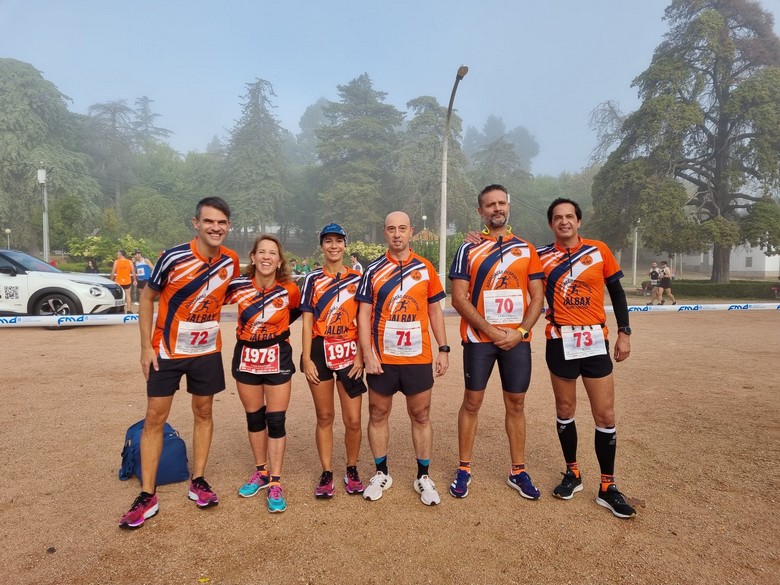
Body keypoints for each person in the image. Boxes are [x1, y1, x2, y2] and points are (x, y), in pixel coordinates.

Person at [119, 196, 240, 529]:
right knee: (155, 417)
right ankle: (147, 495)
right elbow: (147, 297)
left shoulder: (231, 260)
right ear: (196, 223)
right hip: (168, 350)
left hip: (206, 350)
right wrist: (145, 347)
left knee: (204, 412)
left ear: (228, 226)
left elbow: (229, 293)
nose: (215, 227)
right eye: (209, 221)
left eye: (222, 222)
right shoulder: (173, 257)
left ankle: (198, 480)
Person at [536, 198, 636, 519]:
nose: (564, 221)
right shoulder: (539, 256)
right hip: (559, 340)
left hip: (594, 339)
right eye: (558, 217)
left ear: (579, 221)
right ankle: (573, 473)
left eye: (570, 216)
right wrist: (480, 238)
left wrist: (624, 332)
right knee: (565, 409)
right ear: (551, 223)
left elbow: (617, 292)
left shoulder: (599, 250)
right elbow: (507, 262)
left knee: (605, 414)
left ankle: (608, 486)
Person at [448, 184, 545, 500]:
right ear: (481, 211)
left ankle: (518, 471)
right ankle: (464, 468)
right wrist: (490, 331)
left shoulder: (526, 249)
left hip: (517, 340)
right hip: (479, 339)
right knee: (472, 402)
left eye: (501, 203)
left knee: (516, 403)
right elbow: (459, 298)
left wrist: (521, 332)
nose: (497, 208)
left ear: (509, 206)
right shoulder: (468, 248)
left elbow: (537, 297)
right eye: (490, 205)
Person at [356, 211, 450, 506]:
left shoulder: (425, 268)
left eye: (402, 229)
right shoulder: (373, 270)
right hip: (382, 359)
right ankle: (381, 473)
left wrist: (443, 348)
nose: (397, 234)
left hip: (417, 358)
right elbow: (363, 315)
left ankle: (423, 476)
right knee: (377, 414)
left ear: (411, 231)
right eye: (391, 229)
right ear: (385, 232)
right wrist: (367, 354)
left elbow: (435, 311)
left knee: (421, 415)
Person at [226, 234, 301, 514]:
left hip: (277, 355)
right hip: (246, 354)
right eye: (262, 252)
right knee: (255, 418)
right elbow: (211, 300)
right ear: (253, 257)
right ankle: (261, 472)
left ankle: (276, 481)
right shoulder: (238, 286)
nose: (267, 257)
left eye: (272, 253)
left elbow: (295, 312)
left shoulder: (289, 289)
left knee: (276, 420)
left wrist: (273, 331)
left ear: (279, 261)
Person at [300, 223, 367, 499]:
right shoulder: (311, 280)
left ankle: (351, 468)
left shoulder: (358, 279)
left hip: (350, 351)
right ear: (322, 246)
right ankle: (326, 472)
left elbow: (364, 319)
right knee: (325, 416)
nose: (333, 246)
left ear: (345, 245)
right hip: (320, 349)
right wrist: (306, 358)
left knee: (353, 419)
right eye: (328, 241)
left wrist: (361, 356)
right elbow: (307, 322)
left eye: (338, 241)